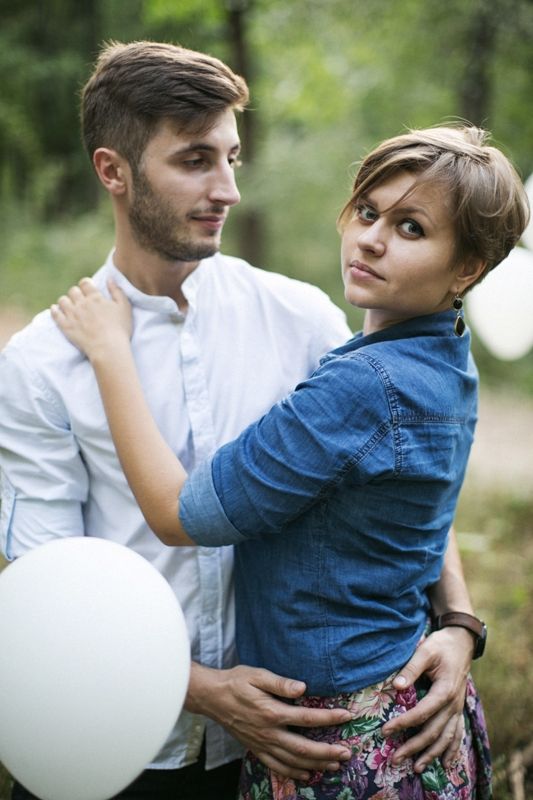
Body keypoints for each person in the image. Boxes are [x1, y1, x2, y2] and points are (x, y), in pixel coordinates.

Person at [0, 39, 485, 800]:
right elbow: (44, 586)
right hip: (126, 742)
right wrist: (196, 687)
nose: (226, 188)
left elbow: (404, 478)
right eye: (195, 160)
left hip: (289, 753)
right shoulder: (41, 366)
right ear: (113, 171)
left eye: (231, 158)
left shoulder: (301, 317)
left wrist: (456, 622)